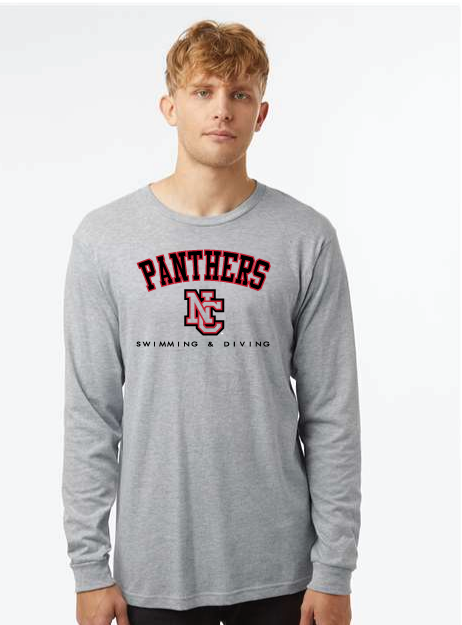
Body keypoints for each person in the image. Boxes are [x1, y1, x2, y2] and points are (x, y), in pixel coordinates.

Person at [61, 18, 361, 625]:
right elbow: (91, 414)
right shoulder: (104, 239)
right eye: (203, 91)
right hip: (153, 574)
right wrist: (89, 568)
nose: (222, 109)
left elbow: (331, 413)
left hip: (284, 574)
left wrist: (335, 569)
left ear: (261, 113)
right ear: (170, 107)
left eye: (239, 93)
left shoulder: (306, 238)